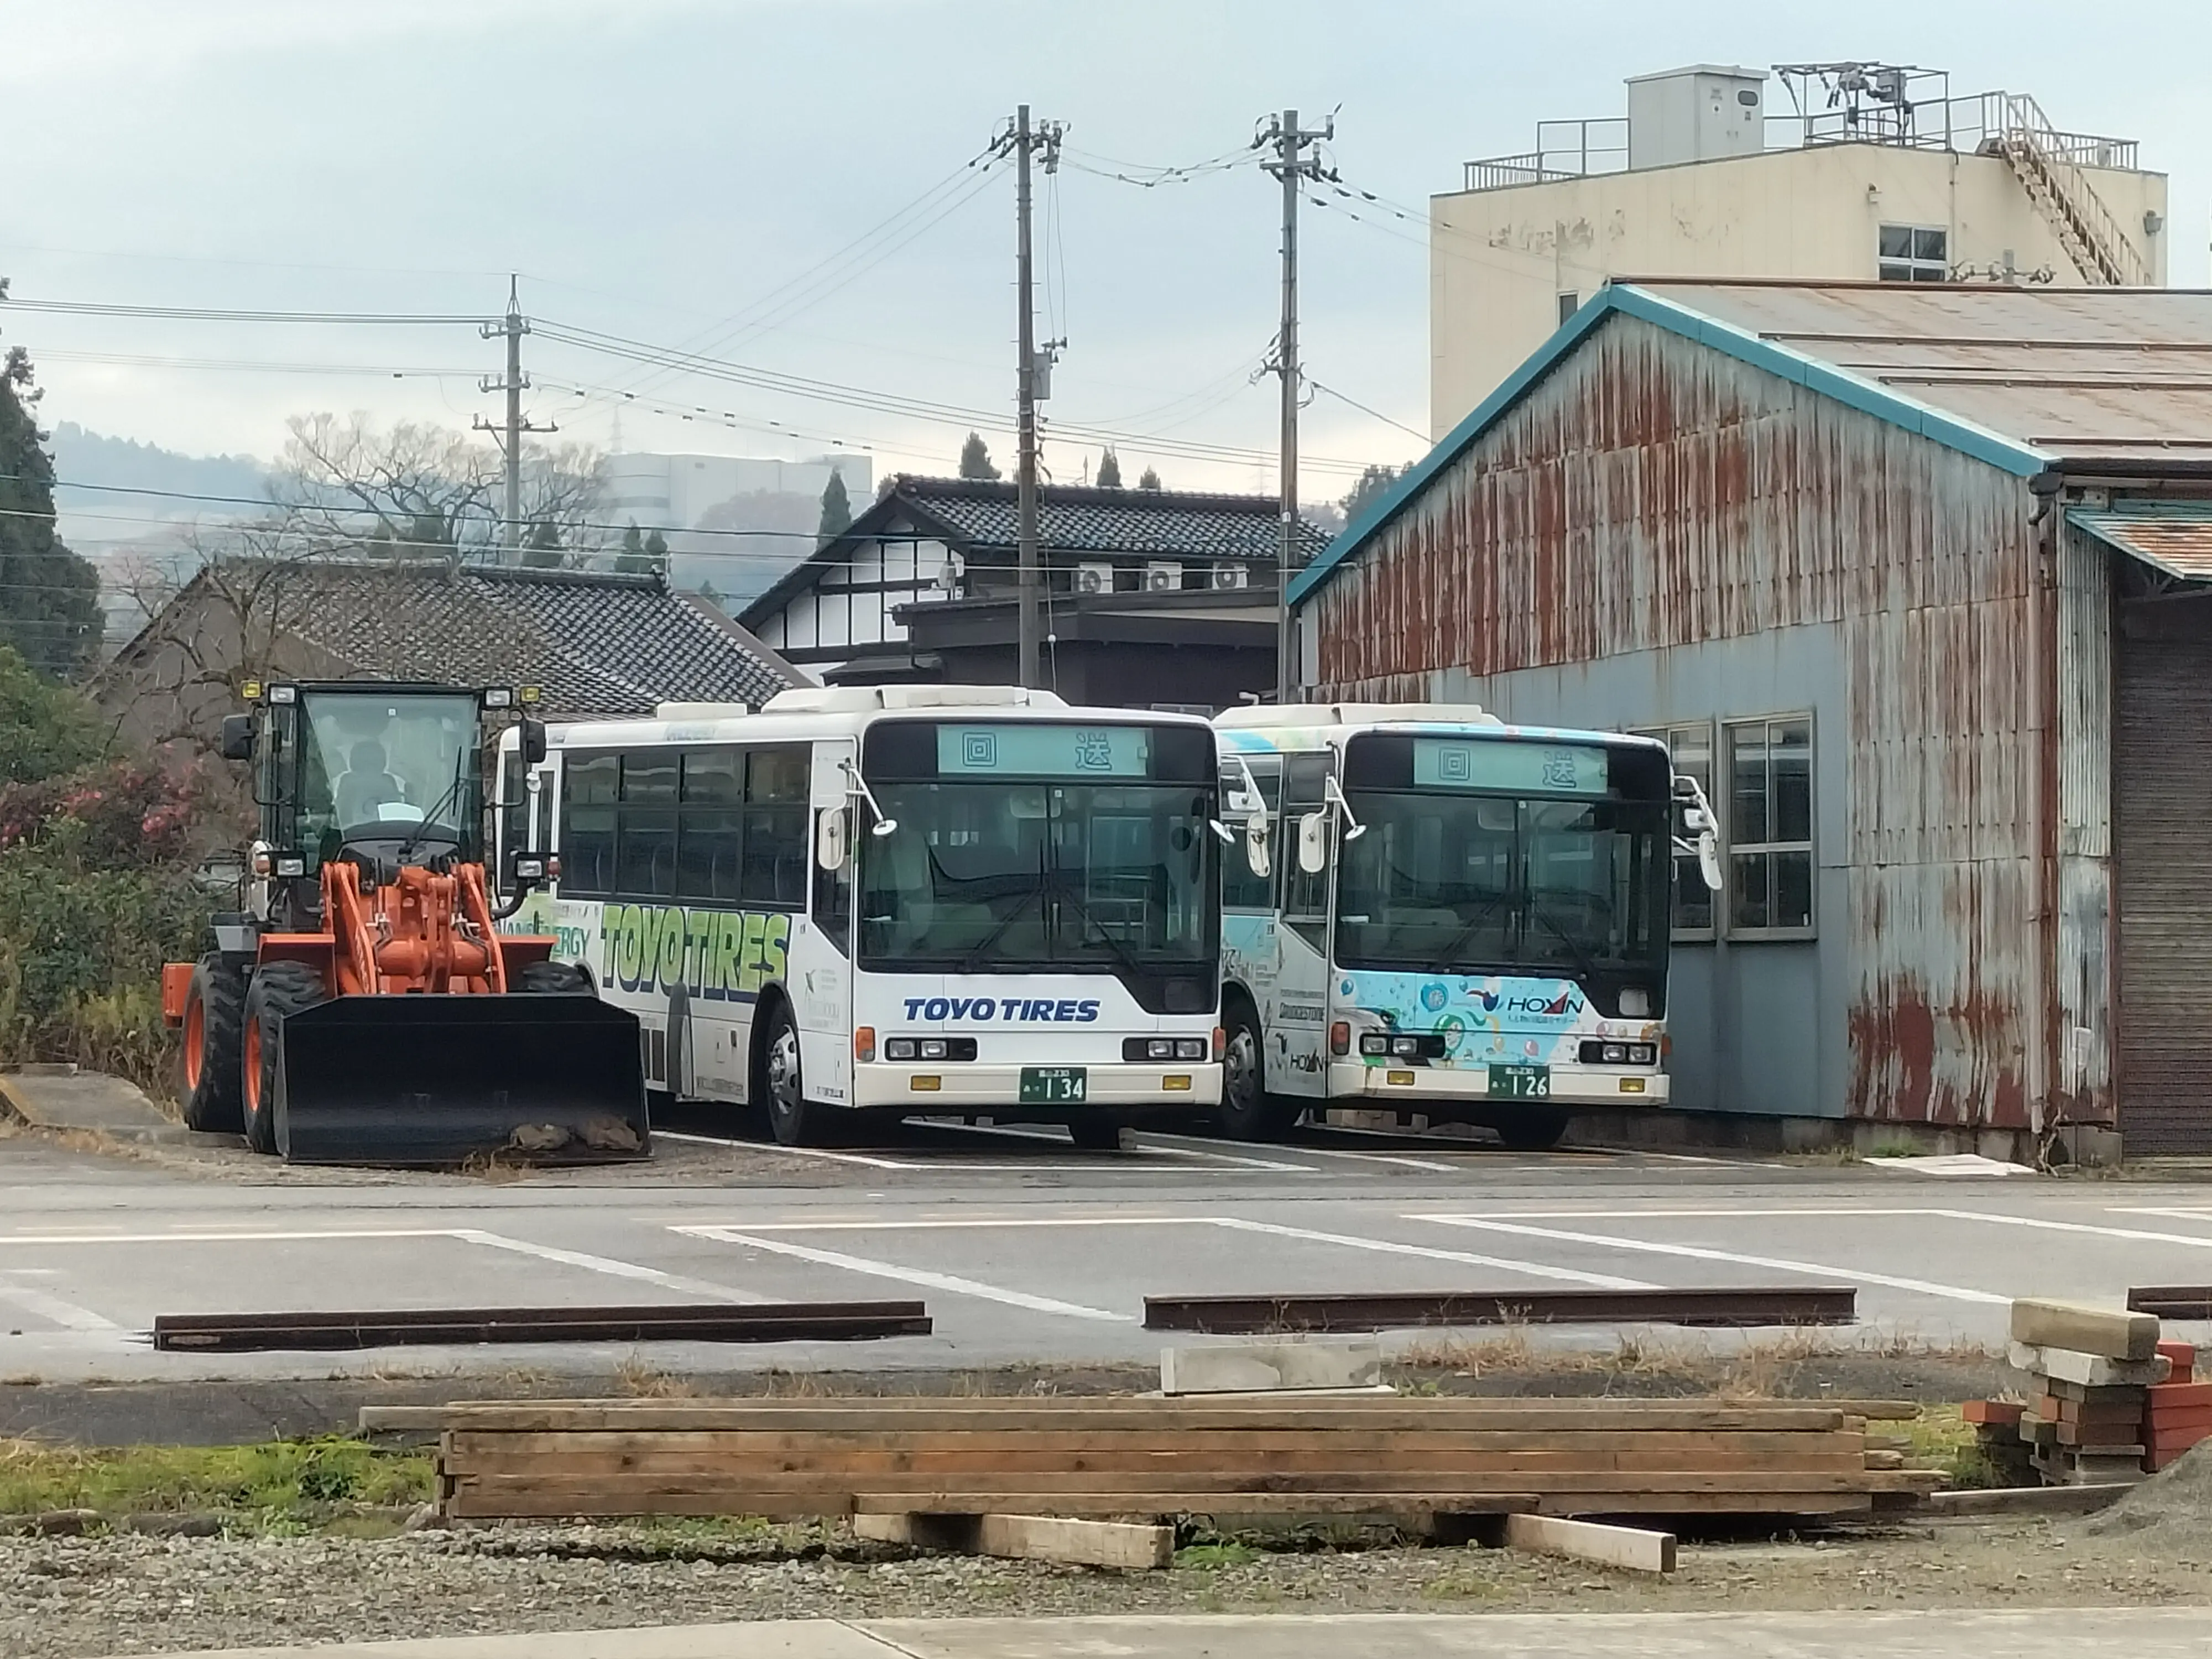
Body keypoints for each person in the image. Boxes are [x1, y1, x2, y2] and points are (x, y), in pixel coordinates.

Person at [335, 739, 407, 826]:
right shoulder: (388, 781)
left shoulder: (347, 781)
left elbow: (341, 814)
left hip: (353, 835)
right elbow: (397, 816)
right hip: (389, 834)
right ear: (383, 761)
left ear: (353, 760)